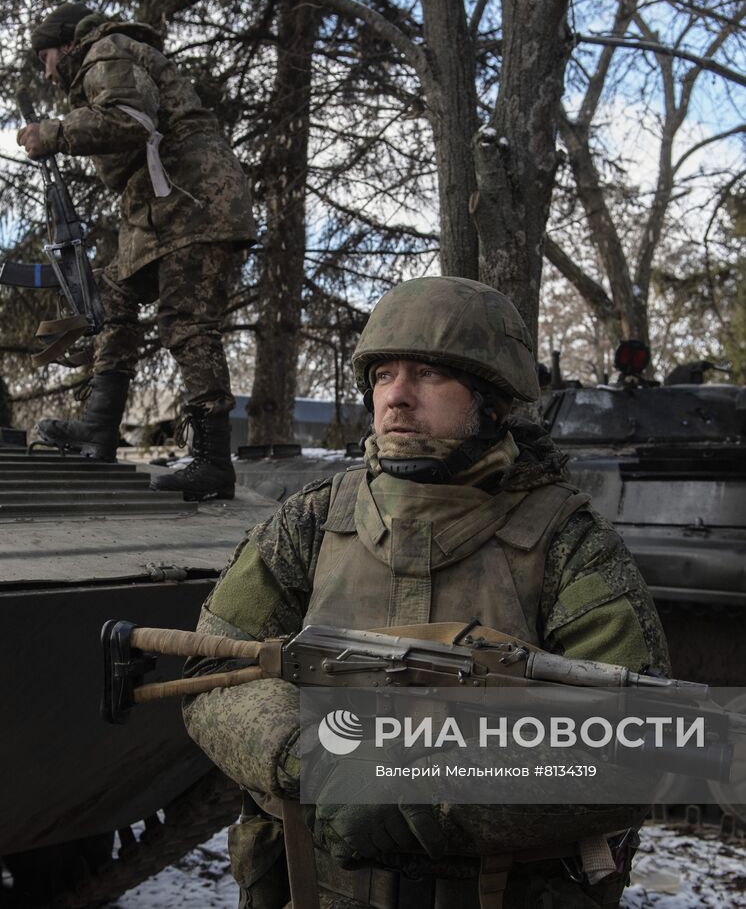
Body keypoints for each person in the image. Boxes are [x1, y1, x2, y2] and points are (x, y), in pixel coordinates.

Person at [181, 276, 671, 908]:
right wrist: (307, 756)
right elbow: (213, 665)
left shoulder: (566, 544)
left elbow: (639, 744)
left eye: (429, 375)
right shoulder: (310, 521)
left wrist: (427, 791)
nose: (398, 398)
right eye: (384, 375)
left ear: (492, 399)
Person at [18, 1, 255, 501]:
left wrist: (54, 133)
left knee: (185, 319)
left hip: (193, 201)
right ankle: (98, 429)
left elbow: (129, 119)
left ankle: (213, 460)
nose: (46, 69)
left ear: (65, 43)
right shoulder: (105, 60)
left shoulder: (105, 51)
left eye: (46, 56)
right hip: (160, 208)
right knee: (111, 296)